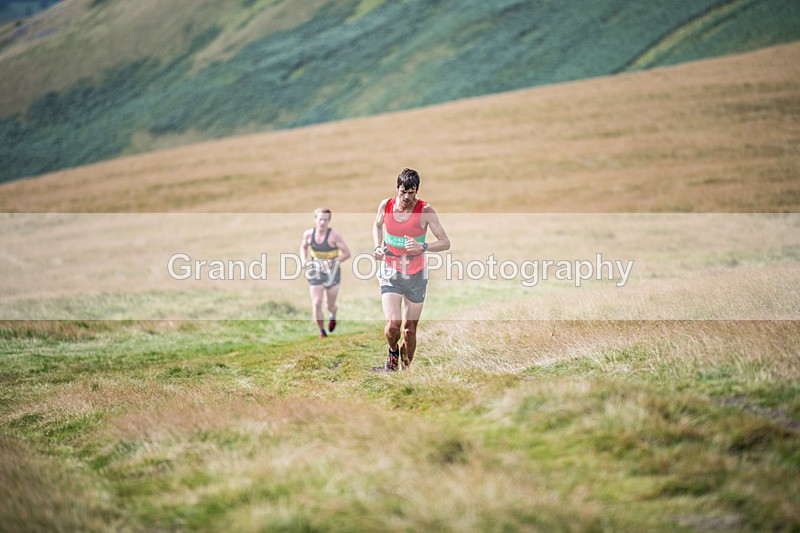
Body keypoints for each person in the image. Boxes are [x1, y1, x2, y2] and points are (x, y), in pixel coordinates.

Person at [372, 168, 450, 371]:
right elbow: (377, 225)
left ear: (417, 191)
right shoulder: (386, 205)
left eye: (411, 193)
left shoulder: (425, 211)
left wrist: (423, 246)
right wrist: (378, 246)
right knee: (393, 325)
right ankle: (392, 352)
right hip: (391, 270)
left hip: (416, 274)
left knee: (409, 330)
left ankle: (405, 373)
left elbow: (445, 242)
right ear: (397, 188)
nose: (407, 197)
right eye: (403, 192)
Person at [300, 208, 351, 337]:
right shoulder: (308, 234)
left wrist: (333, 261)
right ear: (315, 219)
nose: (322, 222)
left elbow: (347, 253)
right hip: (315, 271)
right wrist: (303, 260)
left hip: (332, 273)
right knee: (316, 302)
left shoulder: (334, 235)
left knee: (330, 304)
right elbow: (303, 246)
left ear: (329, 221)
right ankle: (322, 331)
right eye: (320, 219)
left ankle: (332, 315)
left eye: (325, 220)